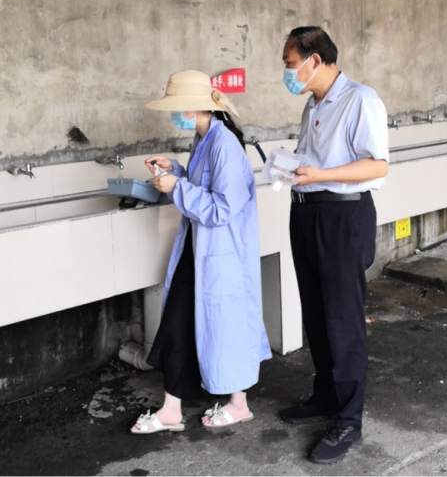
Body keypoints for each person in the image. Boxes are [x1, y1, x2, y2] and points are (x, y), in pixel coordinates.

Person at [131, 70, 271, 434]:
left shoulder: (223, 144)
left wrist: (176, 186)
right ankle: (172, 409)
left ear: (195, 107)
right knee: (180, 321)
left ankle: (238, 404)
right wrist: (175, 170)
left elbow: (222, 207)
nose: (176, 115)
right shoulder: (204, 138)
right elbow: (202, 187)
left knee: (225, 324)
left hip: (222, 253)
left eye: (179, 107)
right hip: (200, 249)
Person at [280, 26, 389, 464]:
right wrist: (290, 169)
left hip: (342, 215)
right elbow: (313, 162)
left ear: (315, 60)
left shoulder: (361, 100)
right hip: (307, 212)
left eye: (291, 64)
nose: (288, 73)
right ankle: (325, 395)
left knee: (342, 318)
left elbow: (377, 166)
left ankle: (347, 421)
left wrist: (321, 176)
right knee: (316, 312)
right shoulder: (313, 105)